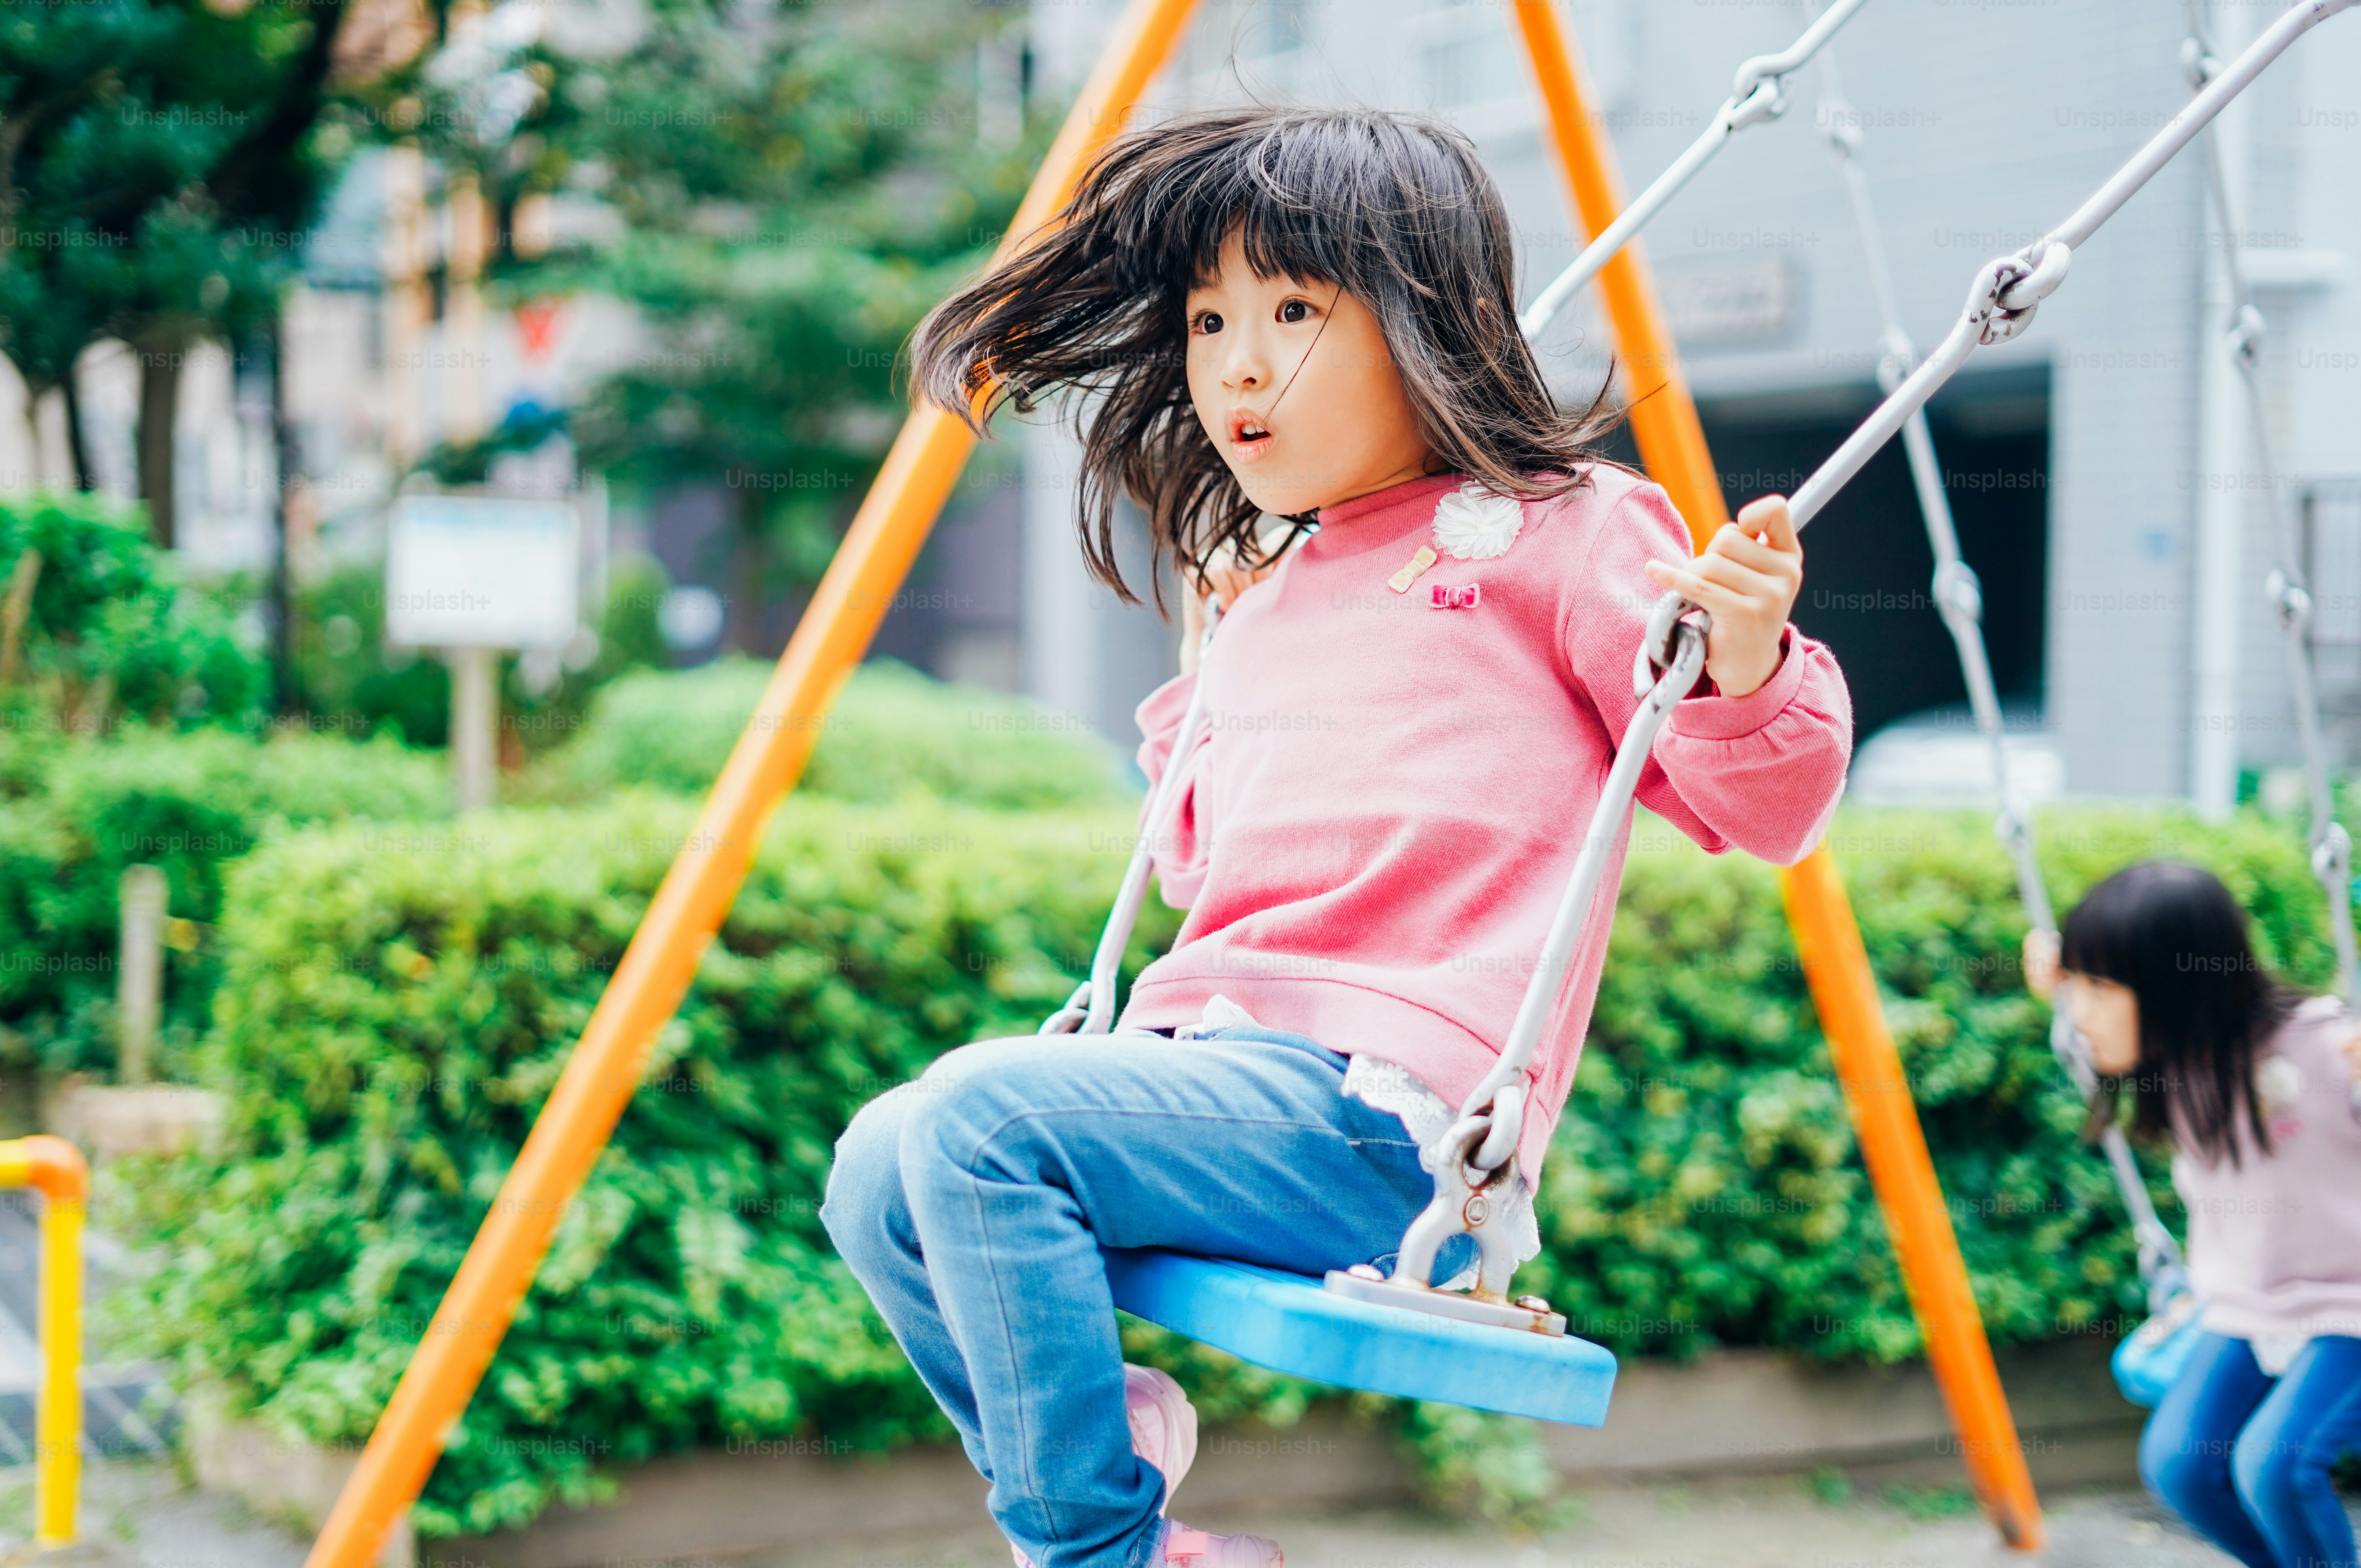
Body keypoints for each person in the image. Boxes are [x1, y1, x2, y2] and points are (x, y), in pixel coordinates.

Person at [819, 108, 1854, 1568]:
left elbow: (1768, 808)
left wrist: (1748, 665)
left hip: (1390, 1122)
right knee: (879, 1161)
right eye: (1206, 319)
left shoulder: (1566, 530)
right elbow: (1201, 875)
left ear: (1428, 324)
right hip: (1213, 1079)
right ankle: (1112, 1473)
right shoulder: (1276, 580)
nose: (1238, 360)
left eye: (1294, 310)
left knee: (984, 1121)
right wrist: (1212, 662)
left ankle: (1092, 1549)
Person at [2027, 862, 2361, 1568]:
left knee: (2274, 1467)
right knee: (2182, 1465)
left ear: (2177, 988)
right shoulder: (2169, 1062)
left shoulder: (2326, 1046)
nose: (2079, 1011)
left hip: (2351, 1311)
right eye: (2076, 986)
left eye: (2100, 987)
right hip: (2247, 1309)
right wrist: (2065, 981)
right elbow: (2096, 1039)